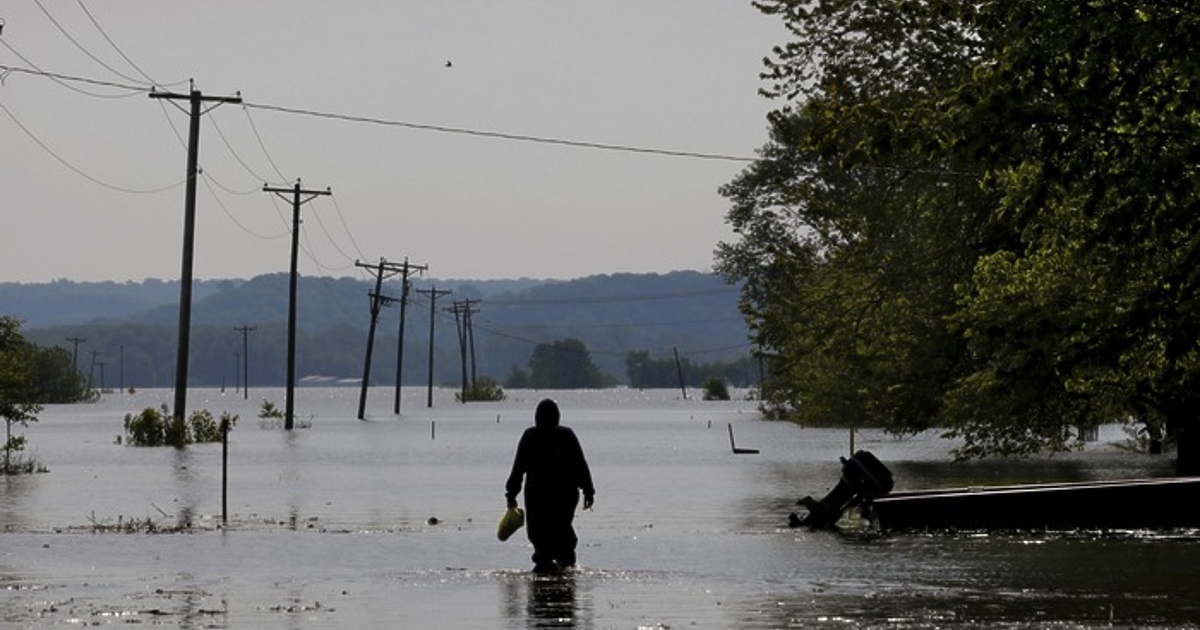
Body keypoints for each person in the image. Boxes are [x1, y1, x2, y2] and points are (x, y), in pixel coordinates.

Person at [505, 398, 595, 573]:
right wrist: (588, 491)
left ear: (537, 418)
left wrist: (511, 494)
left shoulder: (530, 436)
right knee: (562, 528)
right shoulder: (566, 435)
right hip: (564, 494)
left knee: (540, 533)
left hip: (538, 495)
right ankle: (566, 566)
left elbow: (518, 469)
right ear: (557, 417)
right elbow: (580, 466)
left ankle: (545, 563)